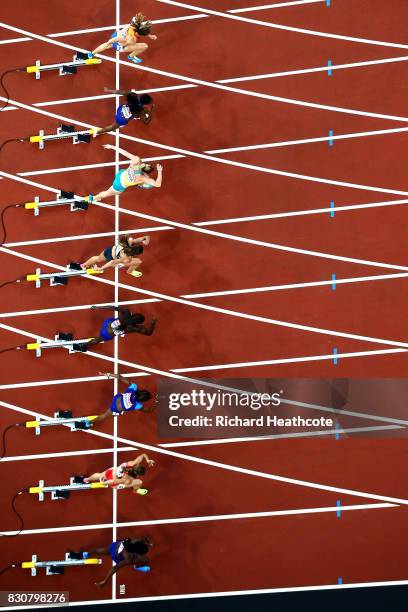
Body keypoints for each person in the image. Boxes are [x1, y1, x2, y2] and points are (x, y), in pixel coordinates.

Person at [90, 144, 162, 201]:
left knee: (140, 179)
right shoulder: (142, 178)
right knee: (105, 194)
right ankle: (94, 198)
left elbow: (125, 153)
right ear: (146, 173)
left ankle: (97, 197)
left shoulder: (137, 160)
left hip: (121, 173)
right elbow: (158, 184)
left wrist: (112, 147)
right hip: (119, 185)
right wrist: (159, 171)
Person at [88, 537, 153, 588]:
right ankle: (136, 566)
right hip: (117, 556)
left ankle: (86, 553)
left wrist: (149, 543)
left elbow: (143, 539)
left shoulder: (132, 541)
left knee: (101, 551)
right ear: (139, 553)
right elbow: (116, 567)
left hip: (114, 547)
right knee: (146, 560)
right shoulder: (129, 557)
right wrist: (105, 581)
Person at [92, 13, 157, 64]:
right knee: (145, 46)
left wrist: (150, 35)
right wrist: (110, 42)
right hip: (119, 43)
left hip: (116, 34)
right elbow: (121, 40)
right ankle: (131, 56)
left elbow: (141, 28)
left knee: (107, 44)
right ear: (139, 33)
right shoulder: (132, 39)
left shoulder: (133, 26)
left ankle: (91, 53)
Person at [86, 304, 157, 347]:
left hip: (107, 323)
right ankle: (83, 345)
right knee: (97, 340)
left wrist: (99, 307)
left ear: (133, 315)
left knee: (113, 320)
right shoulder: (133, 328)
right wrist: (152, 324)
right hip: (107, 334)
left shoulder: (126, 312)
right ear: (138, 323)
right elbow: (148, 333)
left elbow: (113, 308)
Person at [81, 234, 150, 277]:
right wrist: (100, 268)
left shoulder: (130, 242)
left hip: (108, 250)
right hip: (113, 259)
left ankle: (84, 265)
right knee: (138, 261)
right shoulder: (127, 258)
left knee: (98, 258)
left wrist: (145, 240)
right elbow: (112, 262)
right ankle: (129, 272)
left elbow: (147, 237)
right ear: (136, 254)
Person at [84, 453, 155, 494]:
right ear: (136, 473)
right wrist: (103, 483)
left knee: (99, 475)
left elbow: (143, 455)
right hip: (114, 483)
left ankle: (87, 479)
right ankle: (136, 490)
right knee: (139, 482)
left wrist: (147, 460)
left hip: (112, 471)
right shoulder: (126, 478)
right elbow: (113, 481)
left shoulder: (132, 464)